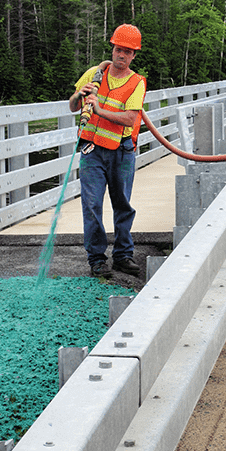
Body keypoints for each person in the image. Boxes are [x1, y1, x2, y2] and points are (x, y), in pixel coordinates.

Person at [68, 24, 145, 278]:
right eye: (118, 49)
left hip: (121, 152)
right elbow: (71, 106)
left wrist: (99, 109)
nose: (121, 55)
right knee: (91, 205)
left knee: (122, 204)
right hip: (91, 150)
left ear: (134, 55)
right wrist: (80, 94)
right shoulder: (94, 73)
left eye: (127, 52)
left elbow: (130, 118)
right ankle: (97, 259)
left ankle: (123, 256)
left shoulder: (136, 83)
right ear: (112, 49)